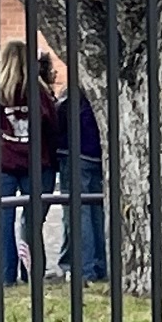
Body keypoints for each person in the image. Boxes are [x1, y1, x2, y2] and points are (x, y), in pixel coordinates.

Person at [0, 38, 60, 287]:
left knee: (3, 221)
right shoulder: (39, 93)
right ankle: (32, 273)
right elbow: (52, 125)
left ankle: (6, 275)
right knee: (32, 223)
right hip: (38, 163)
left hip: (3, 162)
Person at [53, 64, 106, 284]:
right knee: (97, 212)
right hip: (97, 156)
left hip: (75, 155)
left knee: (77, 213)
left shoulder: (70, 102)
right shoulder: (102, 96)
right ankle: (99, 264)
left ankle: (83, 268)